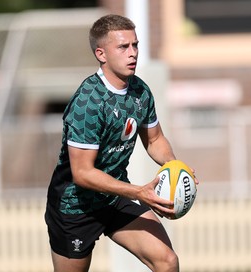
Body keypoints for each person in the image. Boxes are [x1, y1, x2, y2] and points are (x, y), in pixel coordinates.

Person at [45, 14, 198, 272]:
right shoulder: (88, 103)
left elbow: (155, 139)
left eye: (135, 45)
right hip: (75, 208)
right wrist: (138, 192)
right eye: (123, 47)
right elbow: (82, 174)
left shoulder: (140, 91)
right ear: (101, 54)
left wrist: (175, 168)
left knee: (167, 261)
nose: (133, 53)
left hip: (115, 198)